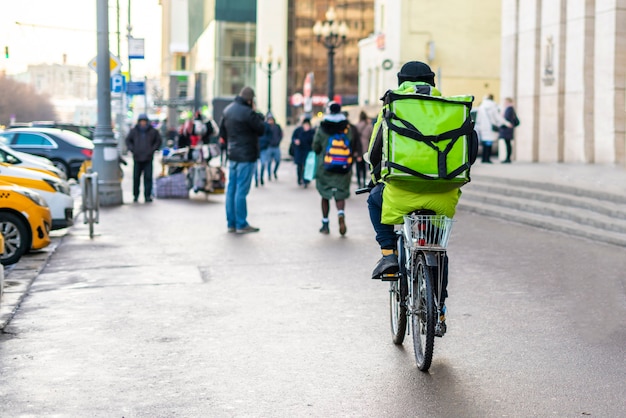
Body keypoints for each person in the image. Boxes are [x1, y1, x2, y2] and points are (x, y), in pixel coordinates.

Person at [366, 61, 463, 328]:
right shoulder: (450, 108)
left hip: (401, 190)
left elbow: (376, 150)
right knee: (437, 248)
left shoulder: (393, 106)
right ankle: (439, 307)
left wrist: (375, 177)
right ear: (432, 81)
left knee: (374, 199)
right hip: (442, 193)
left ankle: (388, 255)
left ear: (401, 82)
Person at [218, 86, 266, 234]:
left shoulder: (227, 110)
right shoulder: (248, 113)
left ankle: (231, 223)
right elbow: (261, 129)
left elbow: (222, 133)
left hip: (233, 155)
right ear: (250, 100)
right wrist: (257, 113)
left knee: (231, 189)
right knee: (241, 190)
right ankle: (241, 223)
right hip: (246, 155)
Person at [312, 101, 353, 236]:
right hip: (343, 166)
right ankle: (341, 214)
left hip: (326, 167)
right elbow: (352, 143)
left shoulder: (323, 127)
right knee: (340, 194)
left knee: (325, 194)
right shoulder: (347, 127)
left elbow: (316, 147)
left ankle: (325, 224)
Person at [125, 113, 163, 203]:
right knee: (136, 177)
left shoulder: (153, 131)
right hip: (137, 157)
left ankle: (147, 195)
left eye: (144, 121)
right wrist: (133, 149)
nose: (143, 123)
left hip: (148, 157)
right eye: (141, 121)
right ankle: (136, 195)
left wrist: (152, 150)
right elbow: (128, 140)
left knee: (148, 177)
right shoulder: (134, 131)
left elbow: (158, 141)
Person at [475, 94, 511, 163]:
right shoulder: (493, 107)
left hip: (482, 127)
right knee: (489, 142)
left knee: (485, 142)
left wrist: (478, 126)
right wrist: (506, 123)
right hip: (490, 127)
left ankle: (484, 158)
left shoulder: (481, 107)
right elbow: (498, 117)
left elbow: (478, 118)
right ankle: (487, 158)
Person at [291, 117, 315, 187]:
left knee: (307, 166)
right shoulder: (298, 130)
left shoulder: (312, 131)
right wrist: (295, 141)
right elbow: (293, 138)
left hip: (308, 150)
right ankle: (299, 179)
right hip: (299, 150)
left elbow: (313, 141)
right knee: (299, 166)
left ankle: (306, 180)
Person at [354, 110, 373, 188]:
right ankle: (364, 181)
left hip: (357, 149)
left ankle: (359, 183)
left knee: (358, 167)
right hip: (366, 148)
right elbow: (372, 138)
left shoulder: (356, 126)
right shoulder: (369, 126)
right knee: (364, 167)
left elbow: (354, 138)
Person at [498, 97, 520, 163]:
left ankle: (508, 158)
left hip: (507, 129)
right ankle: (508, 158)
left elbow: (506, 119)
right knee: (508, 144)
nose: (504, 103)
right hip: (508, 129)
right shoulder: (510, 109)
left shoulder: (509, 109)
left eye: (506, 102)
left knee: (508, 144)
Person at [264, 113, 283, 180]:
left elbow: (281, 134)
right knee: (268, 162)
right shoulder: (266, 127)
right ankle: (269, 175)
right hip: (269, 146)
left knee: (278, 160)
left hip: (276, 146)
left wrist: (278, 141)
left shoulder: (277, 126)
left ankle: (274, 172)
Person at [255, 119, 272, 187]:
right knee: (255, 166)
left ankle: (261, 177)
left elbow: (270, 135)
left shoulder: (266, 126)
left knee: (263, 163)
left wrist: (267, 142)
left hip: (263, 148)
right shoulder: (254, 124)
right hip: (255, 148)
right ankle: (256, 179)